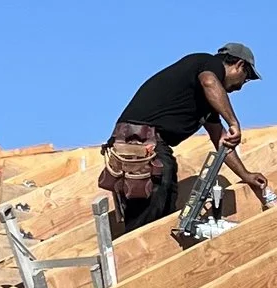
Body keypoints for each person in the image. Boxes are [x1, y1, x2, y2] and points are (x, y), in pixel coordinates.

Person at [98, 42, 267, 237]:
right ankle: (135, 254)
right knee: (151, 205)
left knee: (165, 199)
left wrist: (245, 175)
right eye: (244, 79)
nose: (240, 87)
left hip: (147, 145)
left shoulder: (206, 101)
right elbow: (210, 81)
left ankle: (148, 252)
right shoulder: (208, 63)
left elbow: (221, 140)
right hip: (140, 142)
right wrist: (233, 122)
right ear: (239, 65)